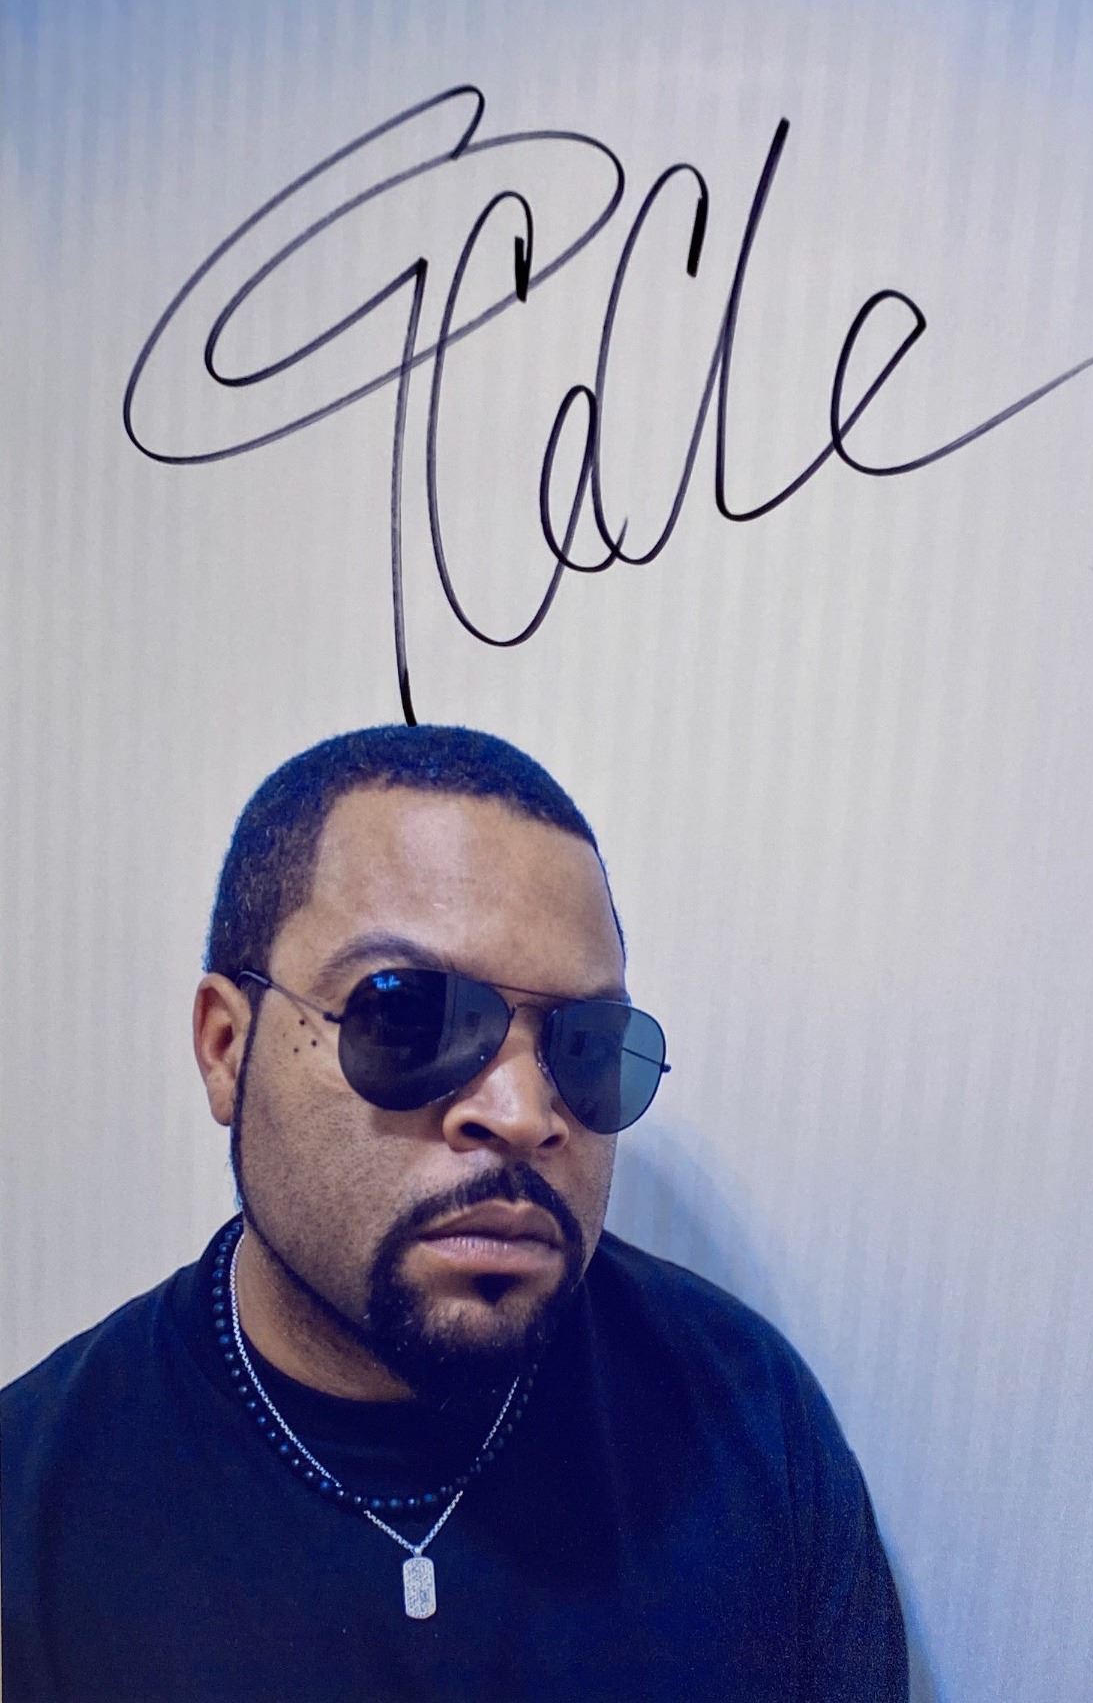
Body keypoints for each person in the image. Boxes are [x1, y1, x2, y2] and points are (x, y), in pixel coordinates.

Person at [1, 724, 908, 1702]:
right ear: (227, 1048)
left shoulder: (748, 1425)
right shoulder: (33, 1508)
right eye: (405, 1018)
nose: (522, 1114)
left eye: (584, 1043)